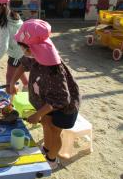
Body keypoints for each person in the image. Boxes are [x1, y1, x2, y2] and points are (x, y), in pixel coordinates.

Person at [10, 19, 81, 169]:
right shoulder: (34, 55)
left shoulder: (53, 70)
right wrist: (12, 82)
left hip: (64, 107)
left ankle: (52, 159)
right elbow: (23, 65)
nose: (21, 50)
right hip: (47, 102)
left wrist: (38, 114)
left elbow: (61, 99)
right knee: (46, 124)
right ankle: (46, 149)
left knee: (55, 131)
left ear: (32, 48)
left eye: (22, 47)